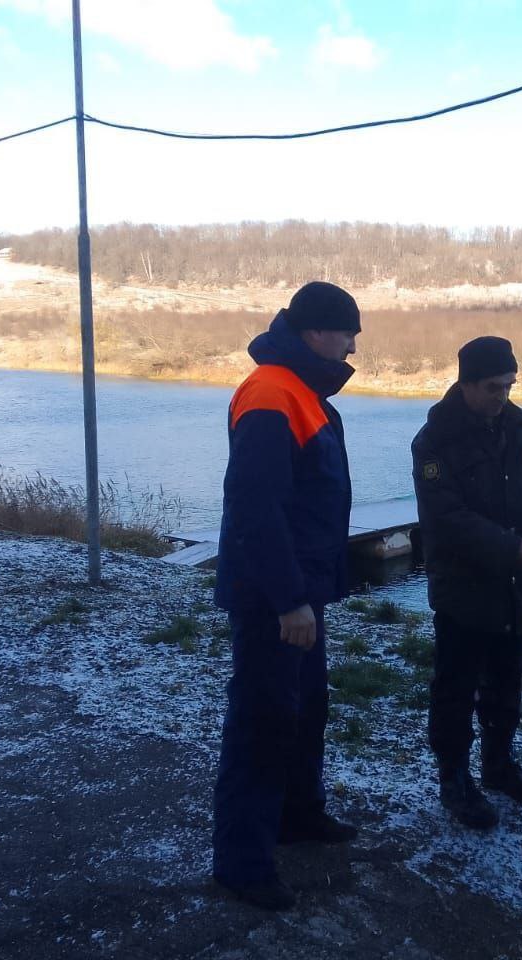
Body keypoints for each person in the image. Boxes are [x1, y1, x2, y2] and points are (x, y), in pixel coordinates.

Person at [212, 281, 362, 911]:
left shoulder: (302, 392)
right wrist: (287, 600)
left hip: (303, 591)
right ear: (314, 333)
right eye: (347, 332)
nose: (354, 344)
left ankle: (298, 816)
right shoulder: (271, 391)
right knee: (264, 720)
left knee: (304, 710)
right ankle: (242, 863)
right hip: (275, 597)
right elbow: (257, 507)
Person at [411, 336, 522, 829]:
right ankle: (455, 779)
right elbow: (446, 518)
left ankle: (499, 765)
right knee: (455, 688)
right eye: (492, 387)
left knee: (506, 684)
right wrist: (511, 547)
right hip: (464, 591)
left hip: (517, 591)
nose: (502, 396)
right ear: (465, 384)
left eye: (509, 385)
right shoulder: (434, 441)